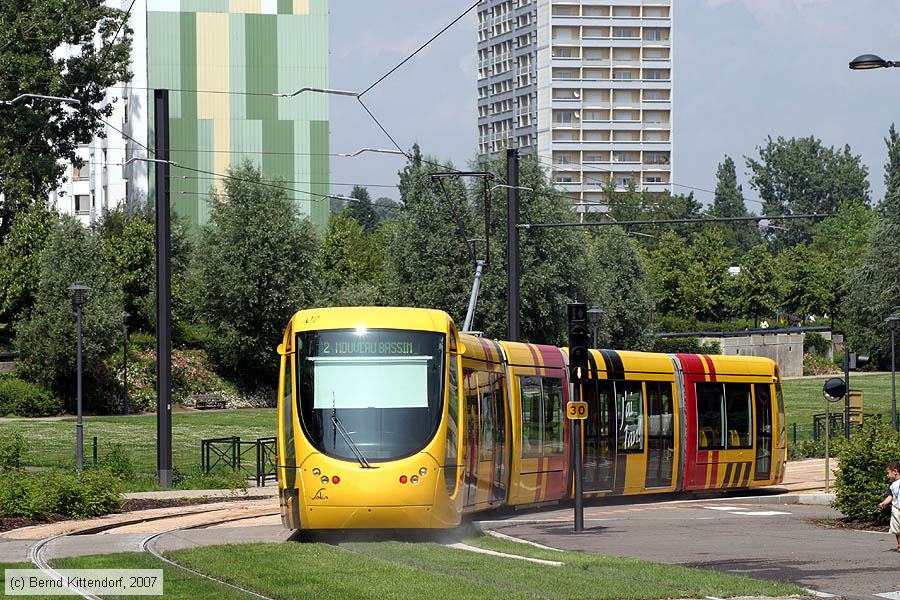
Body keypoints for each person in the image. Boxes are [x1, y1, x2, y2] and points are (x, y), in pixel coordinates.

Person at [878, 460, 900, 551]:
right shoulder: (892, 485)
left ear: (895, 472)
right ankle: (899, 544)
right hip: (896, 508)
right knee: (896, 528)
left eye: (888, 473)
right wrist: (884, 502)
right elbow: (890, 496)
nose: (887, 475)